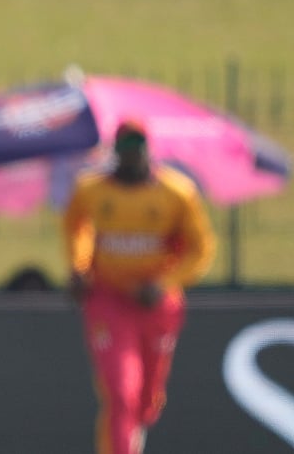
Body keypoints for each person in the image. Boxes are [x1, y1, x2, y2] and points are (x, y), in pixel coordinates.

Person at [63, 120, 216, 454]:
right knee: (121, 393)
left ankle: (135, 430)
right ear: (116, 154)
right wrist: (79, 267)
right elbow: (78, 230)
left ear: (149, 151)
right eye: (126, 152)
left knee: (146, 402)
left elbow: (200, 249)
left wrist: (165, 283)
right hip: (109, 299)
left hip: (156, 304)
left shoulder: (177, 193)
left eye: (138, 151)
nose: (133, 160)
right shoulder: (91, 190)